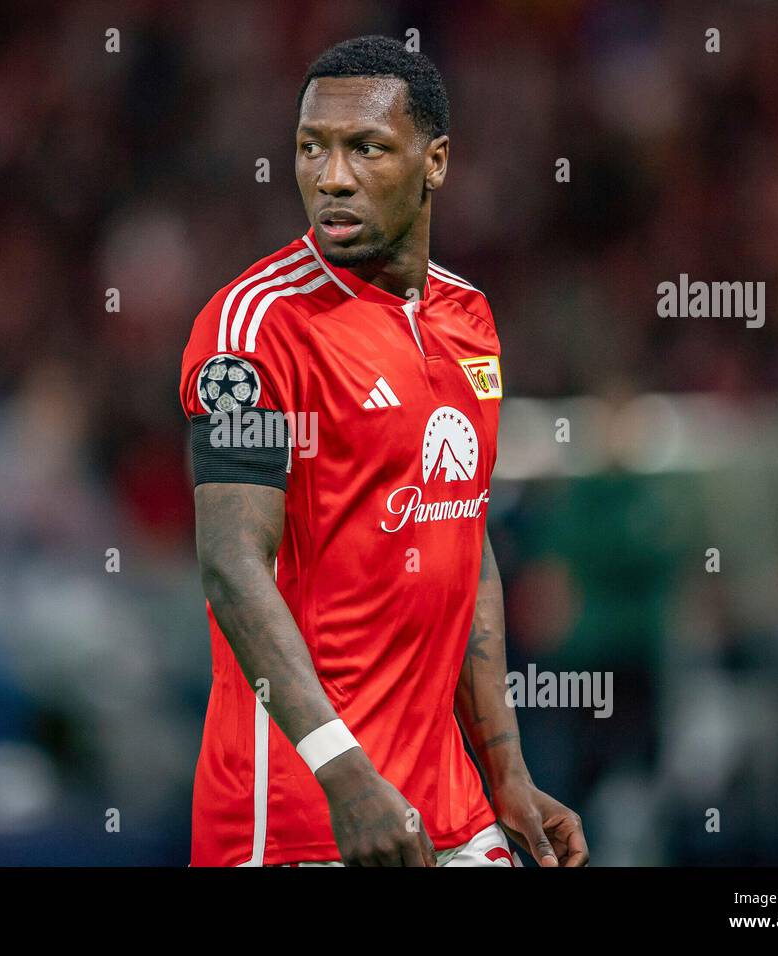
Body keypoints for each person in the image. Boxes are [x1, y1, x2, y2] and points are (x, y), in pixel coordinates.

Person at [178, 34, 588, 867]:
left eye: (366, 148)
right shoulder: (254, 329)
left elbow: (461, 539)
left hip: (454, 813)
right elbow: (230, 561)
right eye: (310, 148)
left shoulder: (469, 318)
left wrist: (505, 768)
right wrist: (345, 775)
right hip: (303, 819)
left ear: (434, 162)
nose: (331, 177)